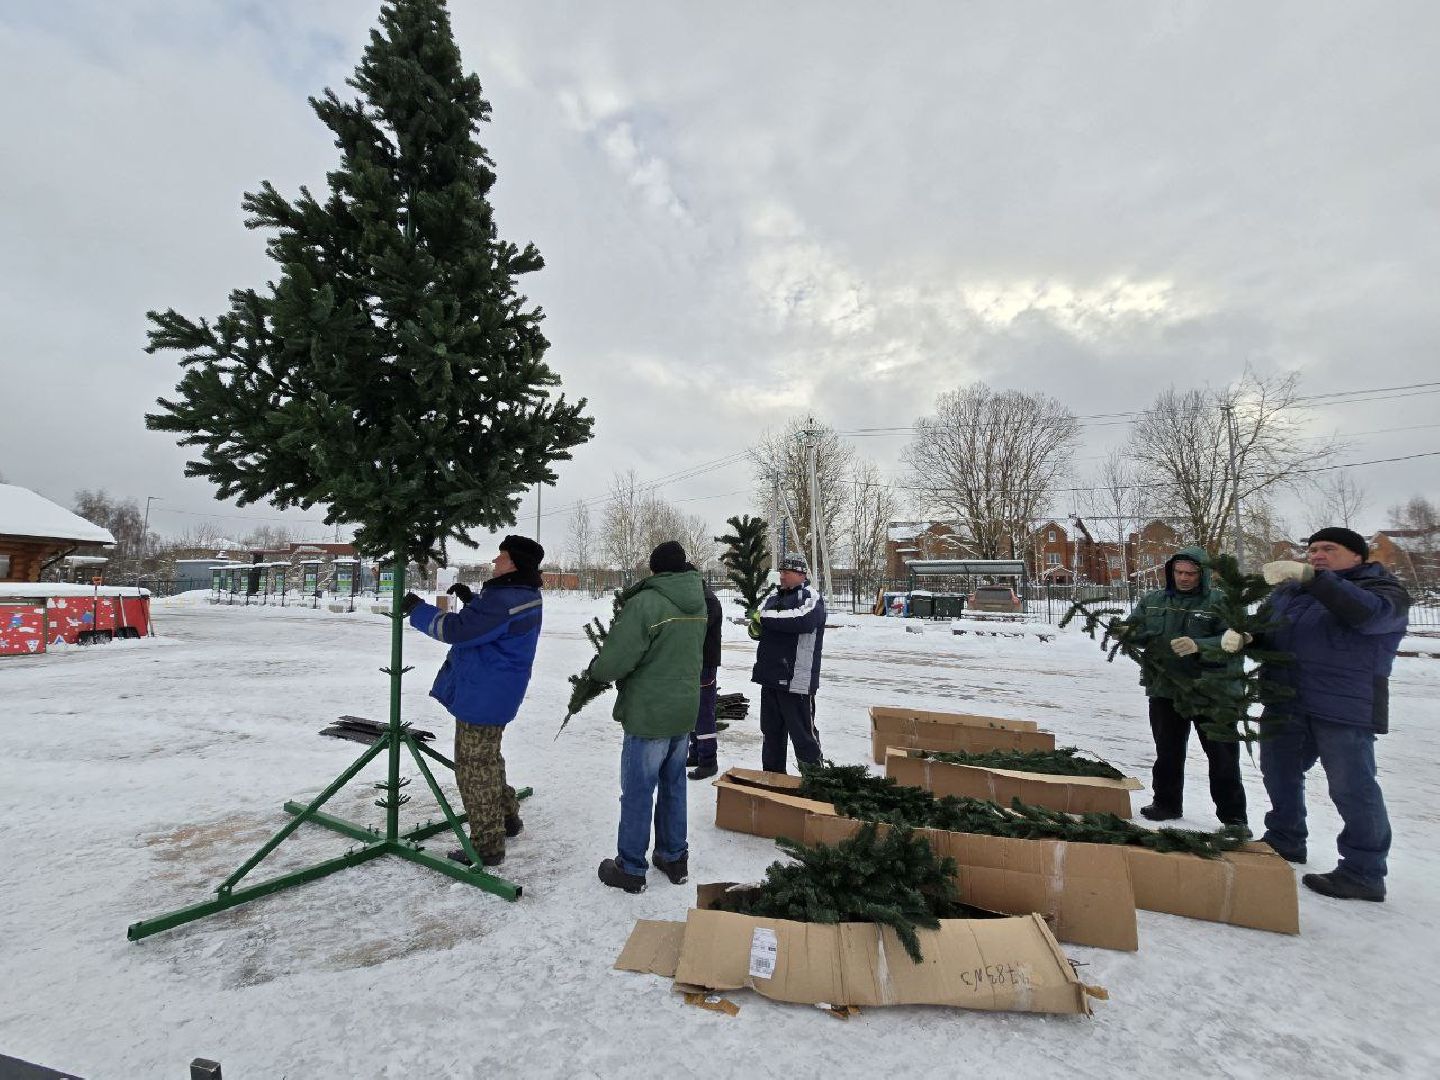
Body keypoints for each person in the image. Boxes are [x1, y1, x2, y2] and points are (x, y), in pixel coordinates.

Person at [1223, 527, 1410, 902]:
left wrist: (1316, 580)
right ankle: (1284, 839)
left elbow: (1368, 617)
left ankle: (1364, 870)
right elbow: (1269, 631)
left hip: (1344, 706)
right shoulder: (1291, 593)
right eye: (1312, 551)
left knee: (1351, 787)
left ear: (1357, 556)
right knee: (1278, 772)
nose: (1317, 555)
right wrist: (1247, 637)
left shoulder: (1382, 591)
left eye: (1329, 549)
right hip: (1287, 699)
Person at [400, 534, 544, 868]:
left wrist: (418, 610)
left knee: (474, 769)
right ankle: (508, 818)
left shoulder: (504, 600)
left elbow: (457, 631)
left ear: (514, 564)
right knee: (488, 758)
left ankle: (486, 847)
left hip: (483, 695)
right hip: (498, 693)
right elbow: (492, 625)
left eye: (501, 556)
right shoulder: (522, 594)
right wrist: (472, 601)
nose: (495, 561)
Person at [589, 541, 707, 893]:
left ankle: (630, 868)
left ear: (655, 570)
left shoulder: (645, 603)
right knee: (674, 785)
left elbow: (615, 661)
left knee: (639, 791)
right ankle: (673, 857)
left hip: (650, 712)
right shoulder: (698, 601)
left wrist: (596, 671)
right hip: (684, 709)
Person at [1119, 546, 1248, 831]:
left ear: (1202, 574)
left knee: (1222, 757)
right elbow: (1137, 629)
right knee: (1167, 752)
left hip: (1212, 693)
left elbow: (1237, 639)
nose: (1184, 578)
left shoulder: (1222, 602)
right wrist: (1126, 632)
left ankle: (1234, 817)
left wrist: (1200, 645)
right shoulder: (1153, 601)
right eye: (1179, 572)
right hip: (1166, 690)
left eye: (1190, 573)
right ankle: (1166, 803)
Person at [752, 552, 826, 774]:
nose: (782, 576)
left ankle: (815, 782)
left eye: (787, 572)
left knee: (803, 737)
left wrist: (764, 620)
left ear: (801, 574)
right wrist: (756, 627)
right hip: (770, 678)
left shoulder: (811, 598)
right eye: (781, 572)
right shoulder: (772, 598)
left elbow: (801, 620)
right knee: (771, 735)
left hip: (796, 681)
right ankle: (773, 781)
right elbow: (759, 619)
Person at [686, 571, 725, 781]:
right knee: (693, 711)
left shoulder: (708, 600)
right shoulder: (698, 597)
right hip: (695, 662)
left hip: (705, 664)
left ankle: (708, 761)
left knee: (703, 713)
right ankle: (696, 753)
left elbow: (696, 629)